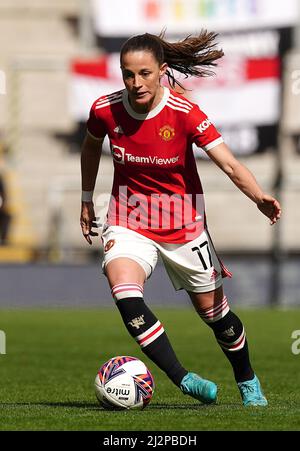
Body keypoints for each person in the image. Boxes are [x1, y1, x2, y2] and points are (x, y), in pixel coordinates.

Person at [80, 31, 281, 406]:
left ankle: (247, 378)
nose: (136, 82)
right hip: (129, 219)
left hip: (183, 225)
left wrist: (259, 197)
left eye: (144, 73)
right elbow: (91, 145)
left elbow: (229, 164)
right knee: (124, 293)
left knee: (216, 316)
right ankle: (183, 378)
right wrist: (86, 198)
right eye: (128, 74)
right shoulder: (105, 109)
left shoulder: (184, 113)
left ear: (162, 71)